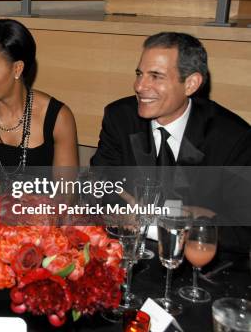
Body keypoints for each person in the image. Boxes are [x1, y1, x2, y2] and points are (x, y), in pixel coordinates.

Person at [91, 31, 251, 253]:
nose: (139, 86)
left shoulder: (232, 137)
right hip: (127, 253)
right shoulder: (120, 118)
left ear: (191, 84)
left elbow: (242, 228)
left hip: (198, 271)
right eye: (140, 74)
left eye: (156, 76)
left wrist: (159, 219)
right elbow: (100, 186)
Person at [0, 19, 79, 209]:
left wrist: (2, 191)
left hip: (35, 228)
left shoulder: (58, 117)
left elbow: (67, 199)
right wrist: (22, 201)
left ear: (17, 68)